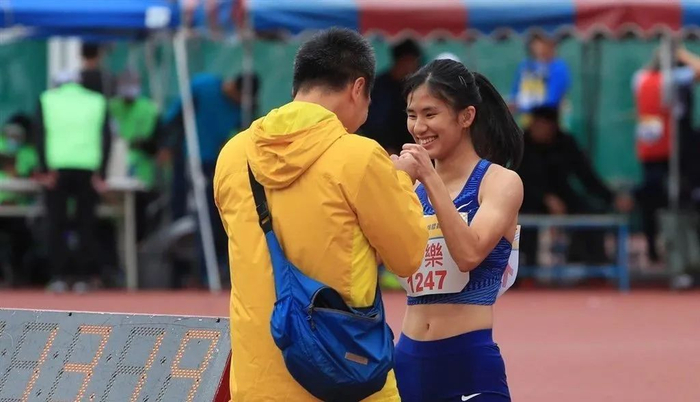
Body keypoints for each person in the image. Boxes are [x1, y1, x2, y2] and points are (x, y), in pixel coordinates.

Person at [213, 28, 428, 401]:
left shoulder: (233, 154)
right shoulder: (360, 156)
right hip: (342, 375)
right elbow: (408, 257)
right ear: (357, 88)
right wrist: (402, 182)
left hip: (256, 381)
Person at [394, 59, 524, 401]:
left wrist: (428, 177)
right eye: (412, 115)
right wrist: (388, 189)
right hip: (408, 360)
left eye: (430, 114)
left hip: (467, 361)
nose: (419, 127)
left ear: (466, 117)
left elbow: (469, 253)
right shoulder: (410, 186)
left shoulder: (499, 182)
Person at [164, 71, 260, 284]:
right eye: (238, 98)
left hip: (221, 163)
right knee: (198, 215)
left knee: (223, 215)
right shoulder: (203, 86)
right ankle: (193, 272)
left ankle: (222, 267)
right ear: (232, 87)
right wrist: (169, 146)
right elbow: (174, 116)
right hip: (192, 159)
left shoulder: (244, 108)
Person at [517, 106, 633, 267]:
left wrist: (613, 197)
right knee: (523, 224)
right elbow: (519, 180)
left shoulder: (565, 142)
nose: (540, 129)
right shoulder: (523, 144)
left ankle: (591, 264)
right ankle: (525, 268)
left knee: (590, 212)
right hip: (529, 199)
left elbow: (586, 176)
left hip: (563, 196)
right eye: (537, 124)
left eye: (545, 125)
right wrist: (546, 199)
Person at [34, 72, 112, 293]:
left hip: (57, 167)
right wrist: (102, 172)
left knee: (55, 222)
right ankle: (84, 277)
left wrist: (44, 169)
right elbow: (106, 137)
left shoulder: (47, 99)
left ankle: (58, 275)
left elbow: (39, 135)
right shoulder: (97, 101)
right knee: (86, 223)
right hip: (87, 167)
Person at [632, 45, 700, 264]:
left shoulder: (640, 78)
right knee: (674, 200)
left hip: (654, 152)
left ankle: (656, 248)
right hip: (670, 152)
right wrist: (683, 54)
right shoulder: (671, 80)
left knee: (656, 200)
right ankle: (672, 252)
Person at [110, 70, 166, 241]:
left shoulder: (149, 109)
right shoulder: (111, 107)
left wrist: (140, 144)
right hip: (114, 169)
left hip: (142, 171)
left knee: (138, 215)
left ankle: (136, 244)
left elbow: (155, 143)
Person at [510, 34, 571, 128]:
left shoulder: (559, 67)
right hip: (527, 123)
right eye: (535, 43)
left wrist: (524, 106)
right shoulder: (525, 66)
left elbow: (552, 99)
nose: (537, 47)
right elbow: (515, 93)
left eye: (541, 42)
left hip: (550, 121)